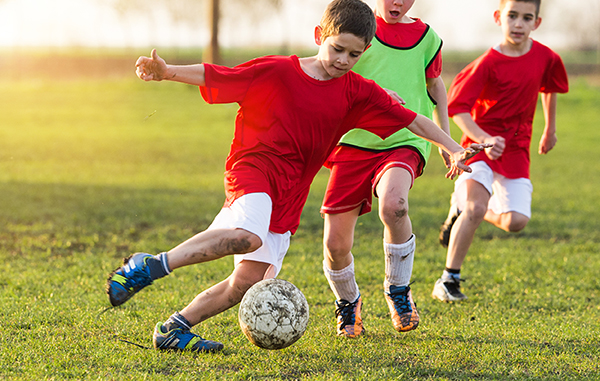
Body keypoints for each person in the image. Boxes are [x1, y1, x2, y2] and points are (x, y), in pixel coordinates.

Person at [106, 0, 483, 353]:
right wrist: (168, 72)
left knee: (247, 281)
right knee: (247, 238)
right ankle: (149, 265)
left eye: (354, 54)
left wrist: (450, 146)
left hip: (290, 191)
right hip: (253, 169)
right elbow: (219, 74)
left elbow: (414, 119)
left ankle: (174, 328)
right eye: (337, 49)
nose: (344, 60)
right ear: (320, 36)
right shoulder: (278, 70)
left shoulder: (357, 92)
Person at [320, 0, 451, 338]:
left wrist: (446, 142)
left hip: (405, 137)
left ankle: (398, 289)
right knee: (336, 244)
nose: (397, 2)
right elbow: (329, 72)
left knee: (395, 203)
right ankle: (348, 302)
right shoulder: (356, 30)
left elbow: (435, 85)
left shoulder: (427, 38)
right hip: (351, 142)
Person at [432, 0, 568, 302]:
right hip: (478, 147)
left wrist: (550, 129)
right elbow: (458, 110)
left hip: (517, 149)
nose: (518, 24)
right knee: (477, 207)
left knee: (516, 221)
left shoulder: (547, 57)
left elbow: (550, 88)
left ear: (537, 22)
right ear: (499, 18)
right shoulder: (488, 63)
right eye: (512, 16)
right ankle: (448, 280)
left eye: (526, 18)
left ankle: (459, 209)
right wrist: (484, 138)